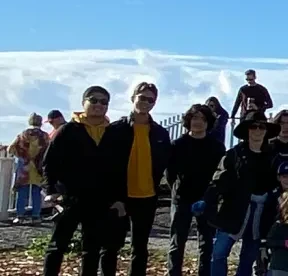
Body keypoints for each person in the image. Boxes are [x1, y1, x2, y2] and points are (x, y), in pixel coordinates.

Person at [42, 86, 125, 276]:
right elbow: (50, 162)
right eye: (93, 100)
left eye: (103, 102)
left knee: (92, 248)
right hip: (69, 198)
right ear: (83, 103)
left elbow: (118, 168)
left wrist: (118, 198)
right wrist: (51, 191)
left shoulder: (112, 133)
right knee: (57, 246)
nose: (98, 105)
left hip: (99, 200)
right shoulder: (68, 130)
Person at [107, 81, 173, 276]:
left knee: (140, 247)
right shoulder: (116, 129)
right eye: (142, 98)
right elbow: (106, 165)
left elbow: (165, 163)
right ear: (133, 98)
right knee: (111, 246)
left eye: (150, 100)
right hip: (120, 196)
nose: (146, 102)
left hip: (147, 196)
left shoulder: (160, 133)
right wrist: (112, 196)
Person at [206, 109, 279, 276]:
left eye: (262, 127)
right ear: (247, 130)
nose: (258, 131)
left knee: (248, 259)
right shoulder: (234, 154)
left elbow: (278, 184)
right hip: (233, 211)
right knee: (218, 254)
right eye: (254, 127)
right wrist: (208, 202)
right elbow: (218, 180)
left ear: (266, 131)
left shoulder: (272, 157)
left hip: (260, 215)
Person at [167, 103, 227, 276]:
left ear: (208, 122)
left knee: (206, 243)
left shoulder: (216, 147)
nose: (198, 122)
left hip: (206, 200)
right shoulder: (177, 144)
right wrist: (177, 191)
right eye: (194, 118)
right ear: (188, 120)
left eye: (202, 118)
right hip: (182, 199)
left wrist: (211, 196)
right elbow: (170, 173)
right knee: (177, 242)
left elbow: (220, 174)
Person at [8, 113, 48, 225]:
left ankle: (19, 216)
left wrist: (21, 157)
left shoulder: (22, 134)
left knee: (22, 192)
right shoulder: (44, 136)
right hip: (38, 167)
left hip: (24, 168)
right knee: (36, 192)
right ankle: (36, 216)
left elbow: (10, 149)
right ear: (40, 122)